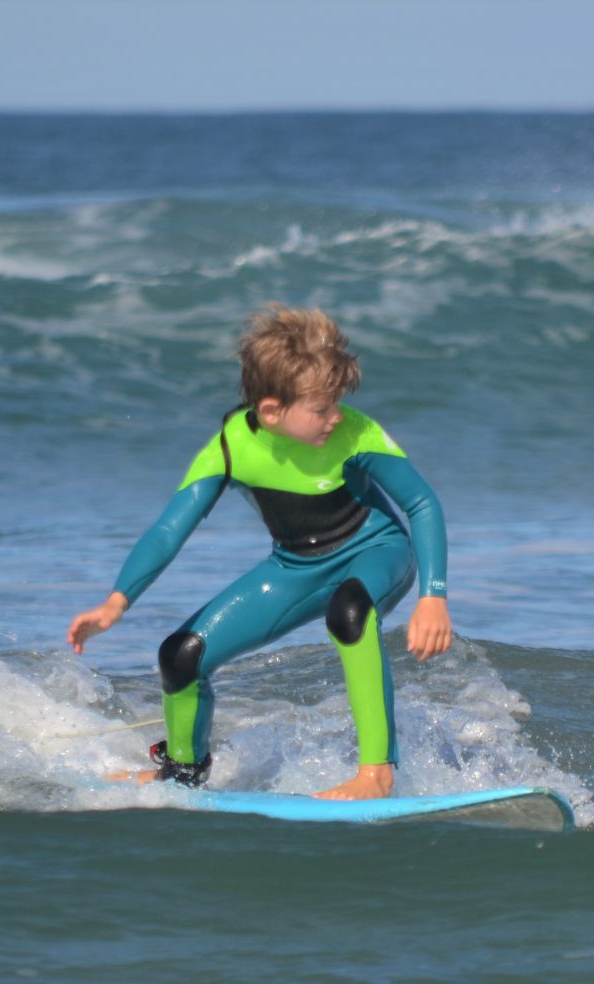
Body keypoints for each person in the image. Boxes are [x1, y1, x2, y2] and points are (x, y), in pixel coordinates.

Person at [67, 304, 451, 801]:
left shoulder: (356, 434)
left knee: (349, 612)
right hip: (294, 568)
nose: (335, 417)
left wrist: (432, 596)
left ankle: (376, 774)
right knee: (181, 655)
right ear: (272, 410)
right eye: (321, 409)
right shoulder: (231, 446)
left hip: (377, 552)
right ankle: (182, 772)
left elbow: (421, 503)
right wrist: (116, 603)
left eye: (336, 403)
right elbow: (169, 529)